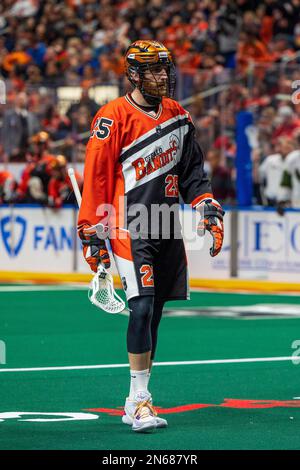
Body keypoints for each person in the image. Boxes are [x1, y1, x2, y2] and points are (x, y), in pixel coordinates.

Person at [77, 40, 224, 433]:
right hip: (129, 224)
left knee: (155, 311)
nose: (164, 76)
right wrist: (92, 233)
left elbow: (193, 171)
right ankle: (139, 399)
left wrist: (206, 205)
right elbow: (98, 178)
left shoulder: (178, 114)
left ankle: (135, 397)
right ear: (135, 74)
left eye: (165, 69)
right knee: (141, 306)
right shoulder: (113, 116)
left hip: (165, 225)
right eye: (156, 70)